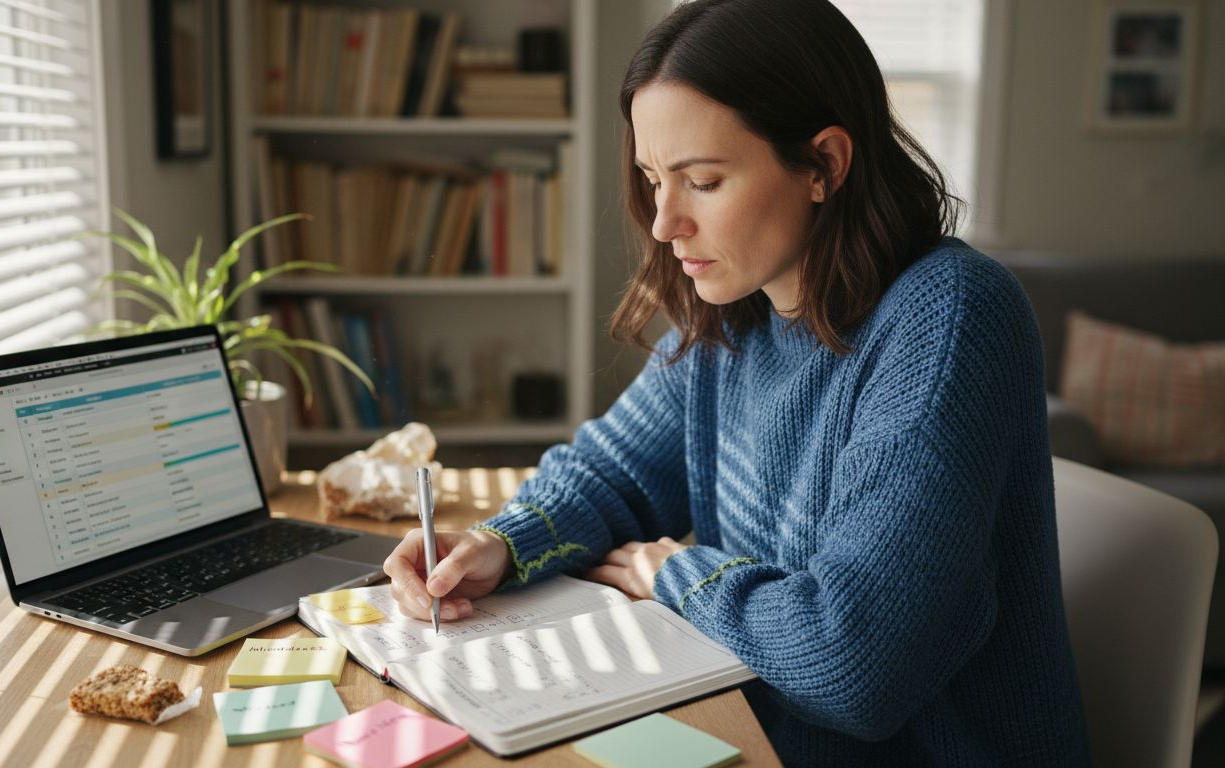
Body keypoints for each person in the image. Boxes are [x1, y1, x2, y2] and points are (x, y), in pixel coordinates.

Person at [383, 0, 1090, 764]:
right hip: (755, 732)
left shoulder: (949, 318)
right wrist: (497, 544)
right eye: (655, 180)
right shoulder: (738, 310)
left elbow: (855, 663)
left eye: (704, 181)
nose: (663, 223)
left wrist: (677, 576)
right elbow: (612, 474)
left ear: (824, 165)